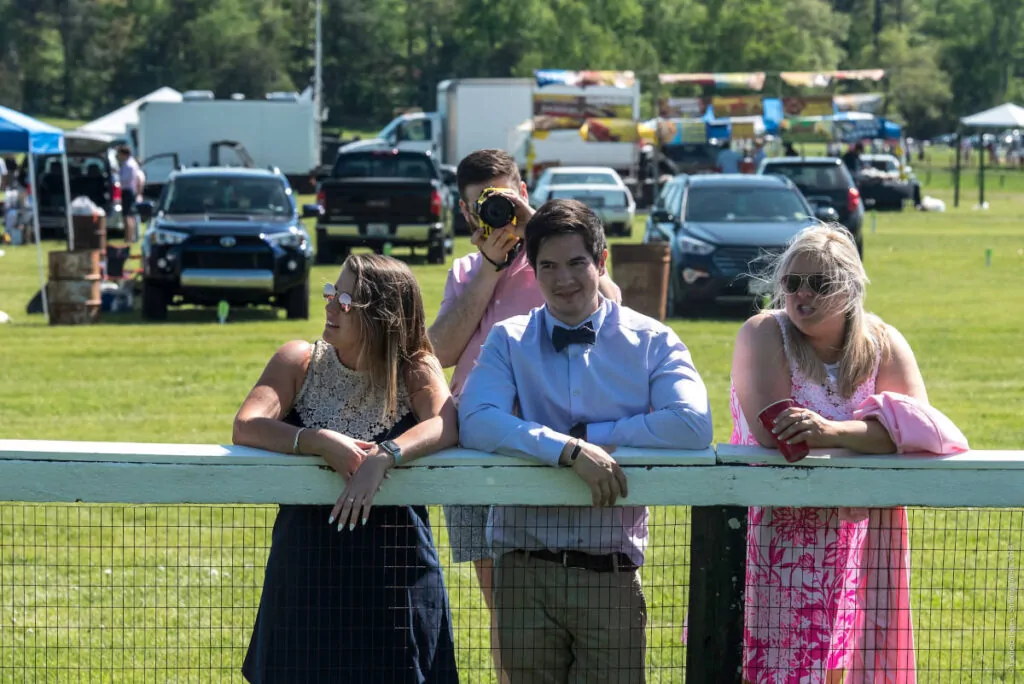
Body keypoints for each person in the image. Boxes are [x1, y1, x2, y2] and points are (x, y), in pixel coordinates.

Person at [458, 199, 714, 684]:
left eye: (577, 263)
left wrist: (591, 437)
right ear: (531, 271)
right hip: (523, 570)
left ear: (601, 263)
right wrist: (565, 451)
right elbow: (475, 419)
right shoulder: (507, 339)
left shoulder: (653, 340)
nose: (563, 280)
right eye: (548, 266)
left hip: (610, 572)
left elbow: (694, 424)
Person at [428, 149, 621, 682]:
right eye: (480, 206)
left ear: (524, 190)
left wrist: (534, 229)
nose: (493, 211)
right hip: (478, 444)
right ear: (466, 215)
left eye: (503, 198)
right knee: (502, 605)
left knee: (570, 590)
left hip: (548, 441)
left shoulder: (564, 258)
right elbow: (439, 351)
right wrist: (491, 268)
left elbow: (612, 305)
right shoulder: (466, 270)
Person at [234, 254, 459, 683]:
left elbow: (446, 423)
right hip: (305, 571)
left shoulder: (415, 368)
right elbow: (246, 426)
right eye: (330, 293)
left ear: (382, 315)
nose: (330, 306)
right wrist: (315, 439)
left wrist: (385, 455)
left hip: (396, 574)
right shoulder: (298, 360)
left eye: (345, 299)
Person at [732, 224, 929, 683]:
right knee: (758, 669)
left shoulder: (883, 343)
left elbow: (918, 430)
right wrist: (872, 432)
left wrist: (828, 429)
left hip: (849, 546)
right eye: (791, 282)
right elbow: (775, 435)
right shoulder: (764, 332)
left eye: (818, 284)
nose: (802, 294)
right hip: (768, 544)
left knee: (837, 666)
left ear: (850, 287)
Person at [116, 145, 144, 243]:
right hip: (129, 191)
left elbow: (126, 179)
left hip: (127, 191)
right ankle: (129, 237)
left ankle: (129, 237)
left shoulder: (128, 165)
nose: (118, 156)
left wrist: (118, 177)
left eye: (119, 154)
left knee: (127, 215)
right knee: (129, 215)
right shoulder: (131, 163)